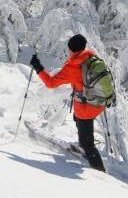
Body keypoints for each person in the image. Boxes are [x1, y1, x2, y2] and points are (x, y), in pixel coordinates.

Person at [30, 34, 106, 172]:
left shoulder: (73, 67)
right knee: (78, 120)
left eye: (69, 49)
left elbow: (51, 83)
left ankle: (100, 171)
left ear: (72, 50)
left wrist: (38, 68)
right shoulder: (92, 58)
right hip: (98, 102)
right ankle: (84, 143)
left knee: (87, 142)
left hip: (85, 108)